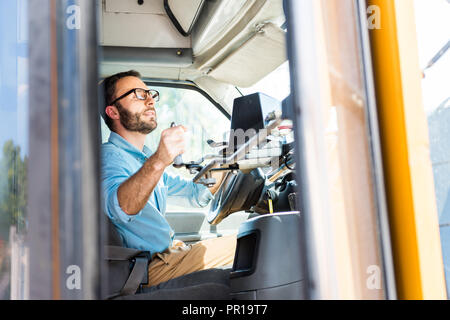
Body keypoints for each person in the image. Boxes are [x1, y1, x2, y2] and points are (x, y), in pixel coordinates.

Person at [100, 70, 236, 287]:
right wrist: (160, 159)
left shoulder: (142, 161)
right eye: (138, 94)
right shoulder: (108, 157)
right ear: (113, 111)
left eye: (150, 93)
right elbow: (120, 206)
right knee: (256, 246)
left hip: (171, 255)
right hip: (147, 269)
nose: (150, 100)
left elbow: (196, 194)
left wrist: (227, 158)